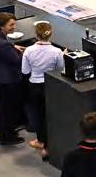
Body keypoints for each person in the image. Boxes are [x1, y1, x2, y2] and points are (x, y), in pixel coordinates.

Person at [22, 20, 64, 161]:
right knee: (51, 115)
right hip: (50, 86)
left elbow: (25, 71)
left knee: (39, 116)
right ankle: (52, 142)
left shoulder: (29, 51)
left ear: (36, 35)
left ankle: (42, 142)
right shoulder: (57, 52)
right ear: (50, 34)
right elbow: (60, 69)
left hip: (35, 86)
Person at [0, 12, 26, 147]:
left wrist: (13, 47)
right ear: (2, 26)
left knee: (2, 108)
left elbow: (5, 46)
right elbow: (17, 61)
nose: (14, 27)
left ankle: (7, 131)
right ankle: (7, 137)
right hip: (6, 81)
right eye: (11, 25)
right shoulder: (2, 44)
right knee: (7, 110)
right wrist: (26, 53)